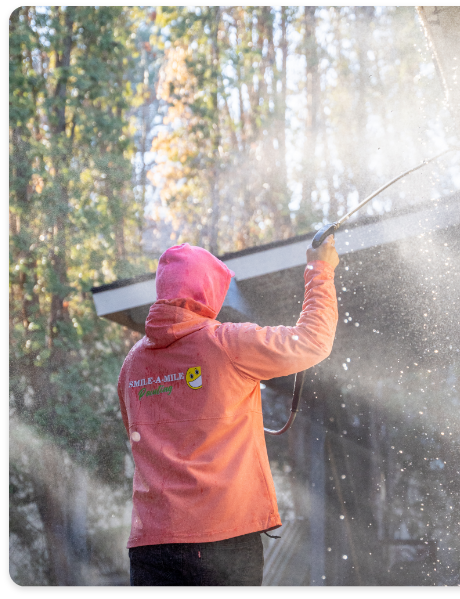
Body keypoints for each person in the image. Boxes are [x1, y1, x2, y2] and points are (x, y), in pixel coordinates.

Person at [118, 236, 339, 587]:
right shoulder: (227, 342)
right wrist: (319, 268)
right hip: (222, 539)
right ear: (209, 291)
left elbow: (139, 432)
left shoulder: (133, 364)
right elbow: (313, 339)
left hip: (151, 544)